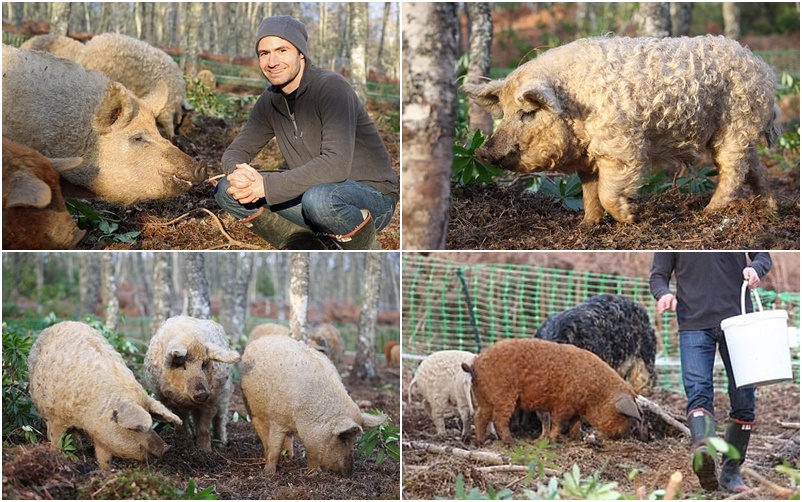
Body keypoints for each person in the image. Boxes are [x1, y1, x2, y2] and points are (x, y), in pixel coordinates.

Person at [214, 15, 399, 250]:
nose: (272, 61)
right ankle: (302, 240)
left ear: (300, 53)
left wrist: (267, 187)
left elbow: (336, 165)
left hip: (370, 195)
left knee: (320, 200)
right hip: (311, 191)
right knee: (226, 190)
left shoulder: (332, 88)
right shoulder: (270, 100)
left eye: (282, 50)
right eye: (264, 53)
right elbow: (236, 151)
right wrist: (237, 173)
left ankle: (364, 244)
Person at [649, 252, 772, 493]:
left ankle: (731, 473)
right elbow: (658, 277)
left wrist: (756, 268)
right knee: (698, 391)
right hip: (693, 324)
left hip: (739, 321)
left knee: (744, 396)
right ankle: (704, 453)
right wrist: (663, 294)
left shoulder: (741, 225)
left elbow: (762, 254)